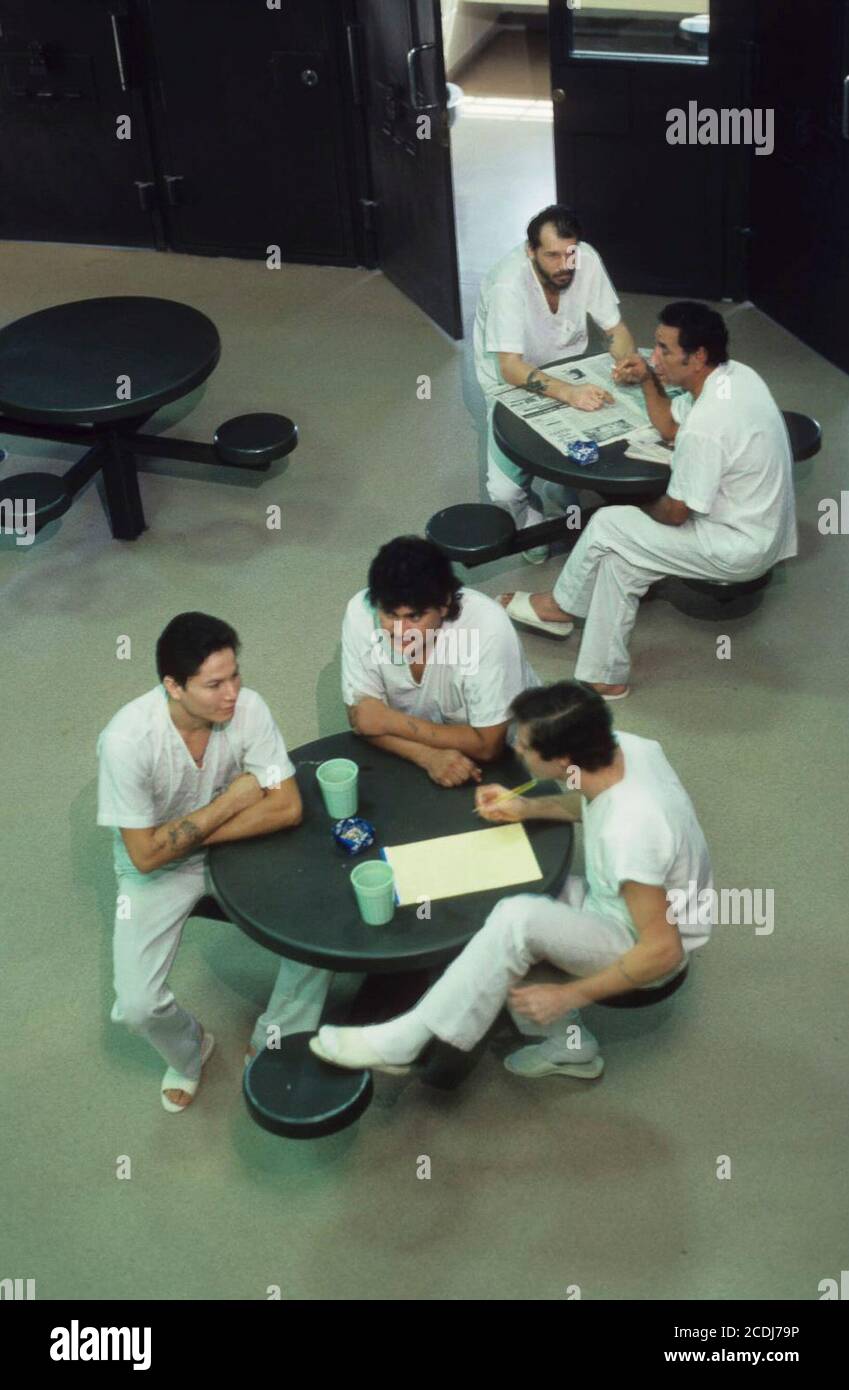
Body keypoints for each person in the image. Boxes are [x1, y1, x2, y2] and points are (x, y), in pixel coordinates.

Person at [310, 681, 713, 1080]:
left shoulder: (630, 833)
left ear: (563, 761)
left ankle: (406, 1040)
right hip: (618, 907)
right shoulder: (627, 748)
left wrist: (568, 995)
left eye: (525, 743)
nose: (515, 745)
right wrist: (527, 807)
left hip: (644, 949)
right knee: (510, 904)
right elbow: (592, 798)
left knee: (517, 919)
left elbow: (663, 951)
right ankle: (571, 1049)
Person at [500, 301, 798, 697]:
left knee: (609, 524)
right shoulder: (736, 376)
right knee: (621, 559)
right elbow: (670, 425)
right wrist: (647, 379)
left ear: (698, 357)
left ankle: (558, 606)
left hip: (738, 546)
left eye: (663, 350)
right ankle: (605, 676)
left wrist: (631, 506)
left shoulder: (710, 425)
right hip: (758, 523)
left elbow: (675, 513)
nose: (652, 355)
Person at [97, 612, 324, 1112]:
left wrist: (193, 834)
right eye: (214, 684)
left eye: (235, 675)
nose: (232, 694)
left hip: (232, 843)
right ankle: (189, 1050)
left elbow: (287, 807)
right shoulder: (126, 741)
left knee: (317, 929)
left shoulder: (249, 708)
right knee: (135, 1005)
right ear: (173, 687)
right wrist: (231, 801)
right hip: (156, 867)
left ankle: (276, 1037)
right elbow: (144, 852)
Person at [474, 204, 635, 560]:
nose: (564, 265)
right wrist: (568, 394)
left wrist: (625, 360)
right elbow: (511, 368)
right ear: (531, 251)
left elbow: (615, 329)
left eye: (570, 254)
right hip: (510, 382)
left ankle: (565, 504)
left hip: (569, 369)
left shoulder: (586, 260)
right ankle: (533, 527)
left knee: (568, 471)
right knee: (504, 492)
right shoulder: (508, 283)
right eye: (552, 256)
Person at [342, 535, 540, 788]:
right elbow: (363, 720)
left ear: (444, 604)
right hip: (418, 748)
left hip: (512, 750)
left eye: (414, 616)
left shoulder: (488, 628)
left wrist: (389, 720)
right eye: (390, 615)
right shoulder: (359, 613)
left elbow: (489, 746)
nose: (402, 632)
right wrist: (426, 756)